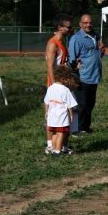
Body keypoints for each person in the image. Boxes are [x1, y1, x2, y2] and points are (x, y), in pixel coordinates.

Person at [69, 14, 104, 135]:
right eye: (85, 23)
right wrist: (74, 74)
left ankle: (85, 126)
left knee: (90, 103)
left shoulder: (94, 36)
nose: (88, 25)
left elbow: (96, 56)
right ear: (80, 24)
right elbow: (72, 59)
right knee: (81, 104)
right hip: (82, 76)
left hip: (94, 75)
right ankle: (77, 128)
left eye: (90, 22)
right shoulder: (76, 38)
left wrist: (101, 51)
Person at [45, 13, 73, 153]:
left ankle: (60, 145)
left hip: (62, 84)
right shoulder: (52, 44)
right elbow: (50, 66)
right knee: (53, 114)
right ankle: (50, 145)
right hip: (55, 84)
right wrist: (54, 85)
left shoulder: (62, 44)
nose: (70, 29)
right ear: (60, 27)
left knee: (62, 115)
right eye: (68, 27)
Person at [44, 65, 77, 157]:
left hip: (52, 115)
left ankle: (54, 149)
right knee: (61, 133)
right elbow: (69, 104)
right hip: (61, 116)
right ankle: (58, 151)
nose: (69, 80)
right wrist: (71, 114)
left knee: (54, 133)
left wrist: (46, 112)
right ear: (63, 79)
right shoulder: (65, 90)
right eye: (68, 78)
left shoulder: (50, 88)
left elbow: (46, 101)